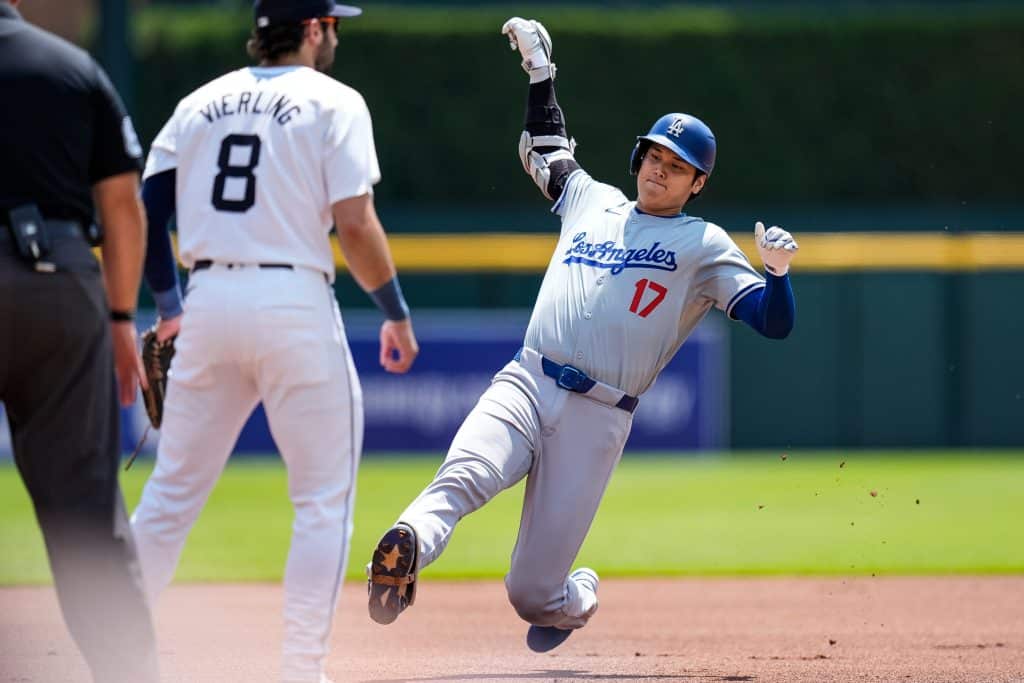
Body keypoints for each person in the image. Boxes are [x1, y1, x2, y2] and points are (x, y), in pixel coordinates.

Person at [366, 17, 798, 653]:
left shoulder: (703, 245)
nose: (659, 170)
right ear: (638, 157)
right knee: (465, 475)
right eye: (653, 155)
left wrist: (778, 274)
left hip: (598, 415)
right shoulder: (591, 199)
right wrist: (541, 77)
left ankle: (578, 592)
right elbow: (545, 150)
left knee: (531, 594)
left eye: (676, 166)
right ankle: (404, 550)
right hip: (529, 377)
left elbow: (772, 321)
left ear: (697, 183)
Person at [128, 1, 419, 681]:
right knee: (320, 501)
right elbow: (355, 222)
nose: (335, 34)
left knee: (169, 497)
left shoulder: (198, 103)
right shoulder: (335, 100)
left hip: (208, 298)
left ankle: (109, 650)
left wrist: (169, 305)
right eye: (333, 24)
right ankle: (299, 670)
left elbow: (146, 209)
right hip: (293, 299)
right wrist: (395, 311)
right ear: (313, 29)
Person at [0, 1, 160, 681]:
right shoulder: (72, 68)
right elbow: (123, 205)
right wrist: (121, 317)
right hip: (61, 285)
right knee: (88, 514)